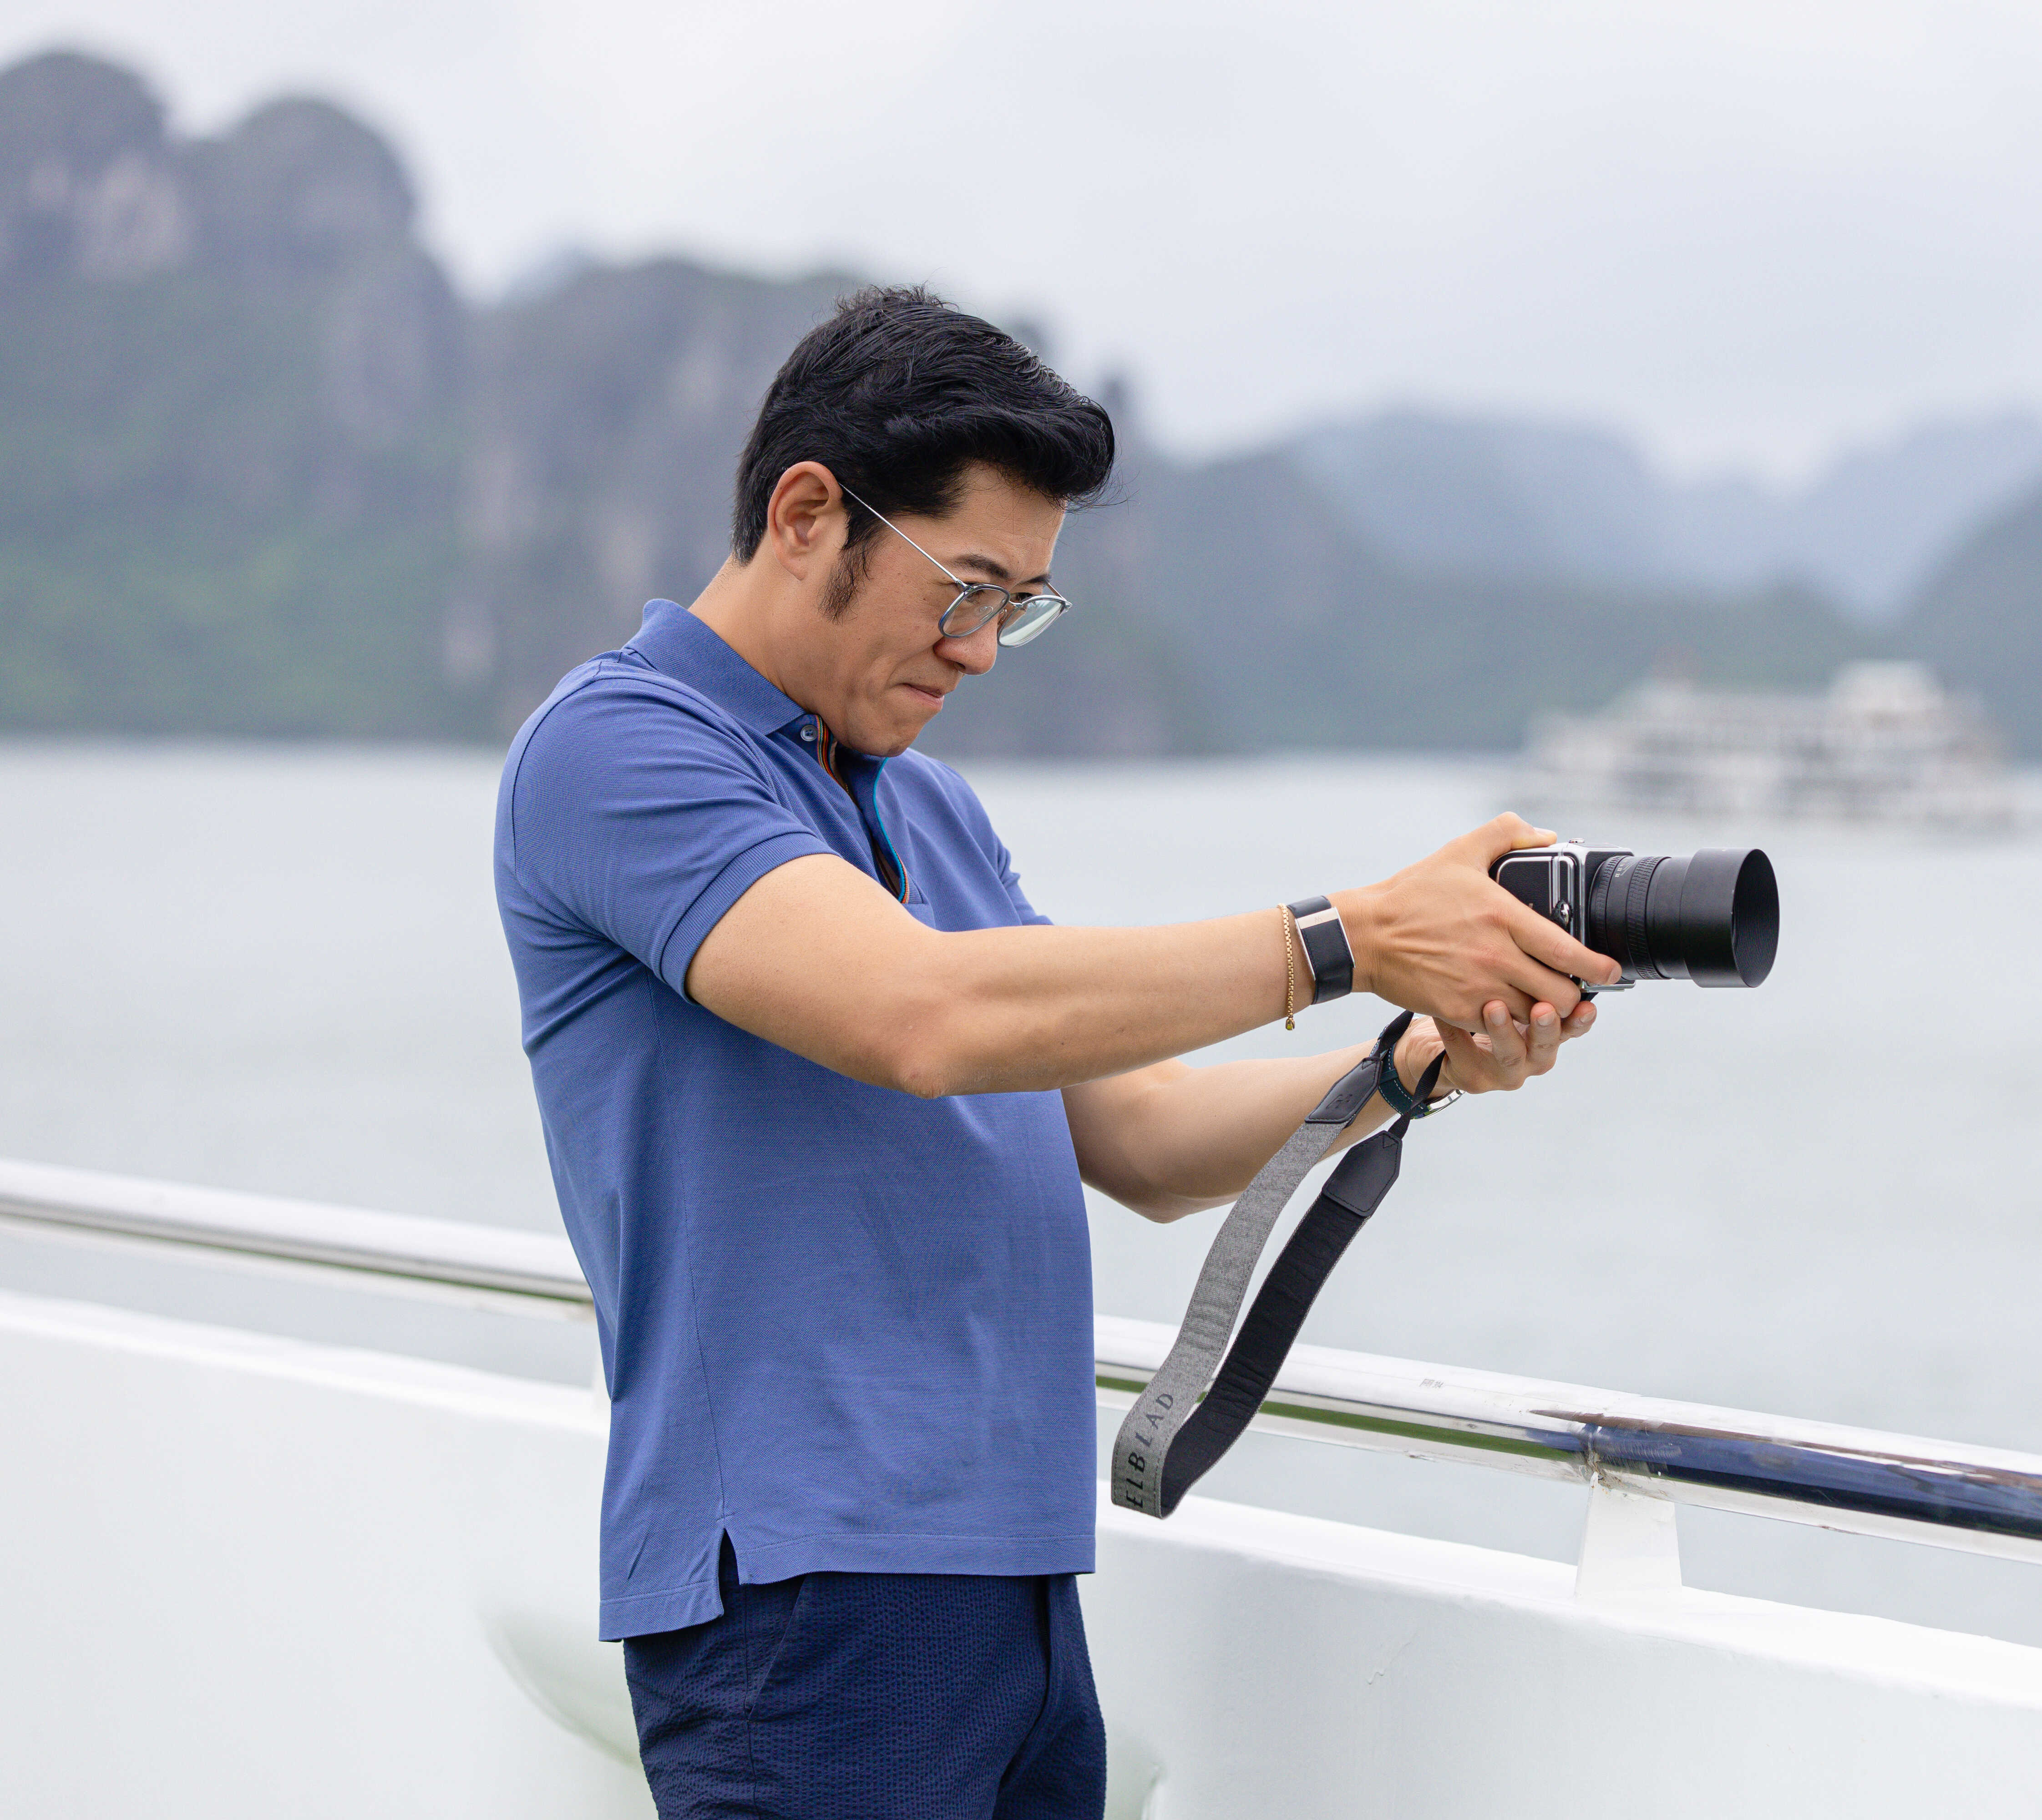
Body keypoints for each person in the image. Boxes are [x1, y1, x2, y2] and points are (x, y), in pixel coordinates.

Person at [492, 286, 1614, 1820]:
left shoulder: (926, 807)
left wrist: (1411, 1066)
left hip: (1015, 1582)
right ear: (809, 513)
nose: (983, 652)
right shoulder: (616, 749)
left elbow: (1140, 1140)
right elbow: (924, 1018)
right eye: (965, 589)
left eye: (1019, 605)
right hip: (800, 1599)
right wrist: (1350, 932)